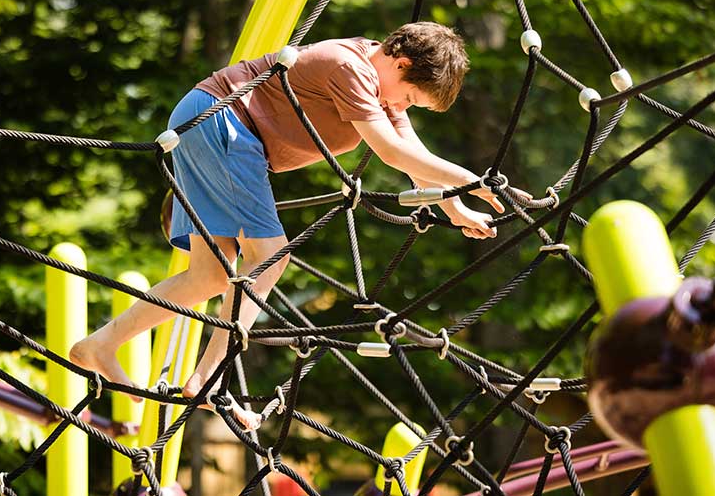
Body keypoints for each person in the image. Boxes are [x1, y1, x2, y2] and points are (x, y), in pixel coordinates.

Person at [70, 21, 513, 429]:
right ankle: (206, 379)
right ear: (401, 63)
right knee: (270, 257)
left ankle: (101, 345)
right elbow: (392, 155)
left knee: (209, 276)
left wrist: (457, 207)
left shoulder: (381, 88)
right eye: (410, 98)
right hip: (224, 123)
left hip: (216, 129)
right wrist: (473, 181)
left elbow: (415, 161)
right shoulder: (348, 66)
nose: (403, 106)